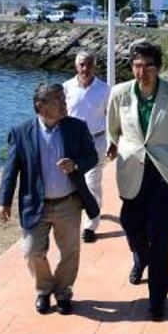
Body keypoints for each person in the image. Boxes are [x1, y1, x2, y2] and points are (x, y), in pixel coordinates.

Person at [106, 41, 168, 321]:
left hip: (163, 175)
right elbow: (113, 129)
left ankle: (157, 300)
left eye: (147, 66)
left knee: (161, 239)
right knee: (130, 224)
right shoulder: (119, 93)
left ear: (158, 68)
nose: (141, 71)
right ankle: (140, 257)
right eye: (136, 65)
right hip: (132, 171)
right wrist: (115, 148)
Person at [0, 83, 99, 315]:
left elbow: (91, 157)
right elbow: (10, 170)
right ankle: (44, 290)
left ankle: (63, 292)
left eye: (64, 99)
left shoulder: (77, 127)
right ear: (40, 106)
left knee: (70, 251)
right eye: (58, 101)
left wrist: (75, 165)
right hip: (36, 204)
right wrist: (4, 201)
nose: (65, 104)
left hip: (68, 202)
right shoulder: (21, 132)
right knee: (32, 251)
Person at [62, 50, 110, 243]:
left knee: (92, 182)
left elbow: (111, 116)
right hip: (72, 142)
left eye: (89, 64)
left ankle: (91, 224)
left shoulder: (105, 89)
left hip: (96, 141)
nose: (85, 68)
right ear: (76, 66)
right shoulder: (66, 88)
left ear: (95, 66)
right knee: (71, 183)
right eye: (82, 64)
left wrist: (113, 141)